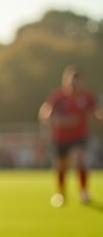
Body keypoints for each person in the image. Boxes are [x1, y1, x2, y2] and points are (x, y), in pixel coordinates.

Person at [39, 65, 102, 206]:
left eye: (77, 80)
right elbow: (46, 111)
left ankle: (84, 192)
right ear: (66, 81)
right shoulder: (58, 96)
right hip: (60, 137)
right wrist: (52, 119)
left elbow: (97, 110)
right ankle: (61, 193)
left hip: (79, 137)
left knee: (79, 159)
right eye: (71, 80)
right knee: (61, 166)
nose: (74, 83)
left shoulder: (86, 96)